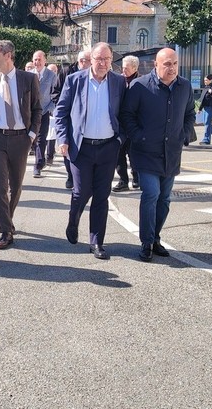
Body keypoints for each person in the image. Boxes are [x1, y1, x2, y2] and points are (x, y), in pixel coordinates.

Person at [120, 47, 195, 262]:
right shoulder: (140, 86)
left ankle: (155, 238)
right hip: (145, 153)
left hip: (171, 152)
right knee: (151, 194)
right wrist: (139, 136)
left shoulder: (185, 86)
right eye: (167, 64)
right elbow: (127, 115)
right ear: (156, 65)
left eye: (175, 63)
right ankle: (146, 242)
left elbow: (190, 113)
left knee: (164, 199)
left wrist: (184, 134)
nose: (172, 68)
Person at [55, 42, 126, 260]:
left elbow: (124, 112)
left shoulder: (119, 82)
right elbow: (61, 112)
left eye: (107, 59)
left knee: (101, 196)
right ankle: (73, 218)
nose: (103, 63)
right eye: (99, 59)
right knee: (81, 191)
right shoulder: (74, 80)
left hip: (108, 147)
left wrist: (120, 139)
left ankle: (96, 242)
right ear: (91, 59)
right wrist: (63, 139)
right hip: (81, 147)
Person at [0, 40, 41, 249]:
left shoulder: (28, 79)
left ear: (8, 55)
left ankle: (8, 219)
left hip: (20, 139)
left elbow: (37, 109)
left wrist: (32, 134)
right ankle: (6, 231)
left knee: (15, 186)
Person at [57, 50, 91, 189]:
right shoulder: (68, 74)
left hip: (89, 126)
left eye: (87, 60)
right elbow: (56, 92)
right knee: (69, 151)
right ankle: (70, 176)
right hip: (71, 119)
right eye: (82, 60)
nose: (84, 63)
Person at [113, 55, 139, 192]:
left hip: (134, 125)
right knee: (119, 154)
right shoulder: (119, 81)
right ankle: (123, 180)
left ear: (134, 68)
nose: (123, 71)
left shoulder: (141, 82)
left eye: (126, 68)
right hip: (119, 125)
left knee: (133, 155)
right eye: (122, 68)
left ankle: (136, 177)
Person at [30, 50, 58, 178]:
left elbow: (55, 94)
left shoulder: (51, 75)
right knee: (33, 138)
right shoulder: (29, 75)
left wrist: (51, 108)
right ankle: (39, 159)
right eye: (35, 59)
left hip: (44, 111)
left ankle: (38, 165)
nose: (37, 62)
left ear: (45, 60)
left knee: (41, 138)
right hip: (30, 112)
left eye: (40, 59)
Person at [45, 63, 60, 165]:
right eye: (51, 70)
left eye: (54, 70)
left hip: (54, 110)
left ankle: (50, 155)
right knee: (47, 134)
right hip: (45, 110)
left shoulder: (59, 80)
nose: (53, 72)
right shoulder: (44, 80)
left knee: (52, 134)